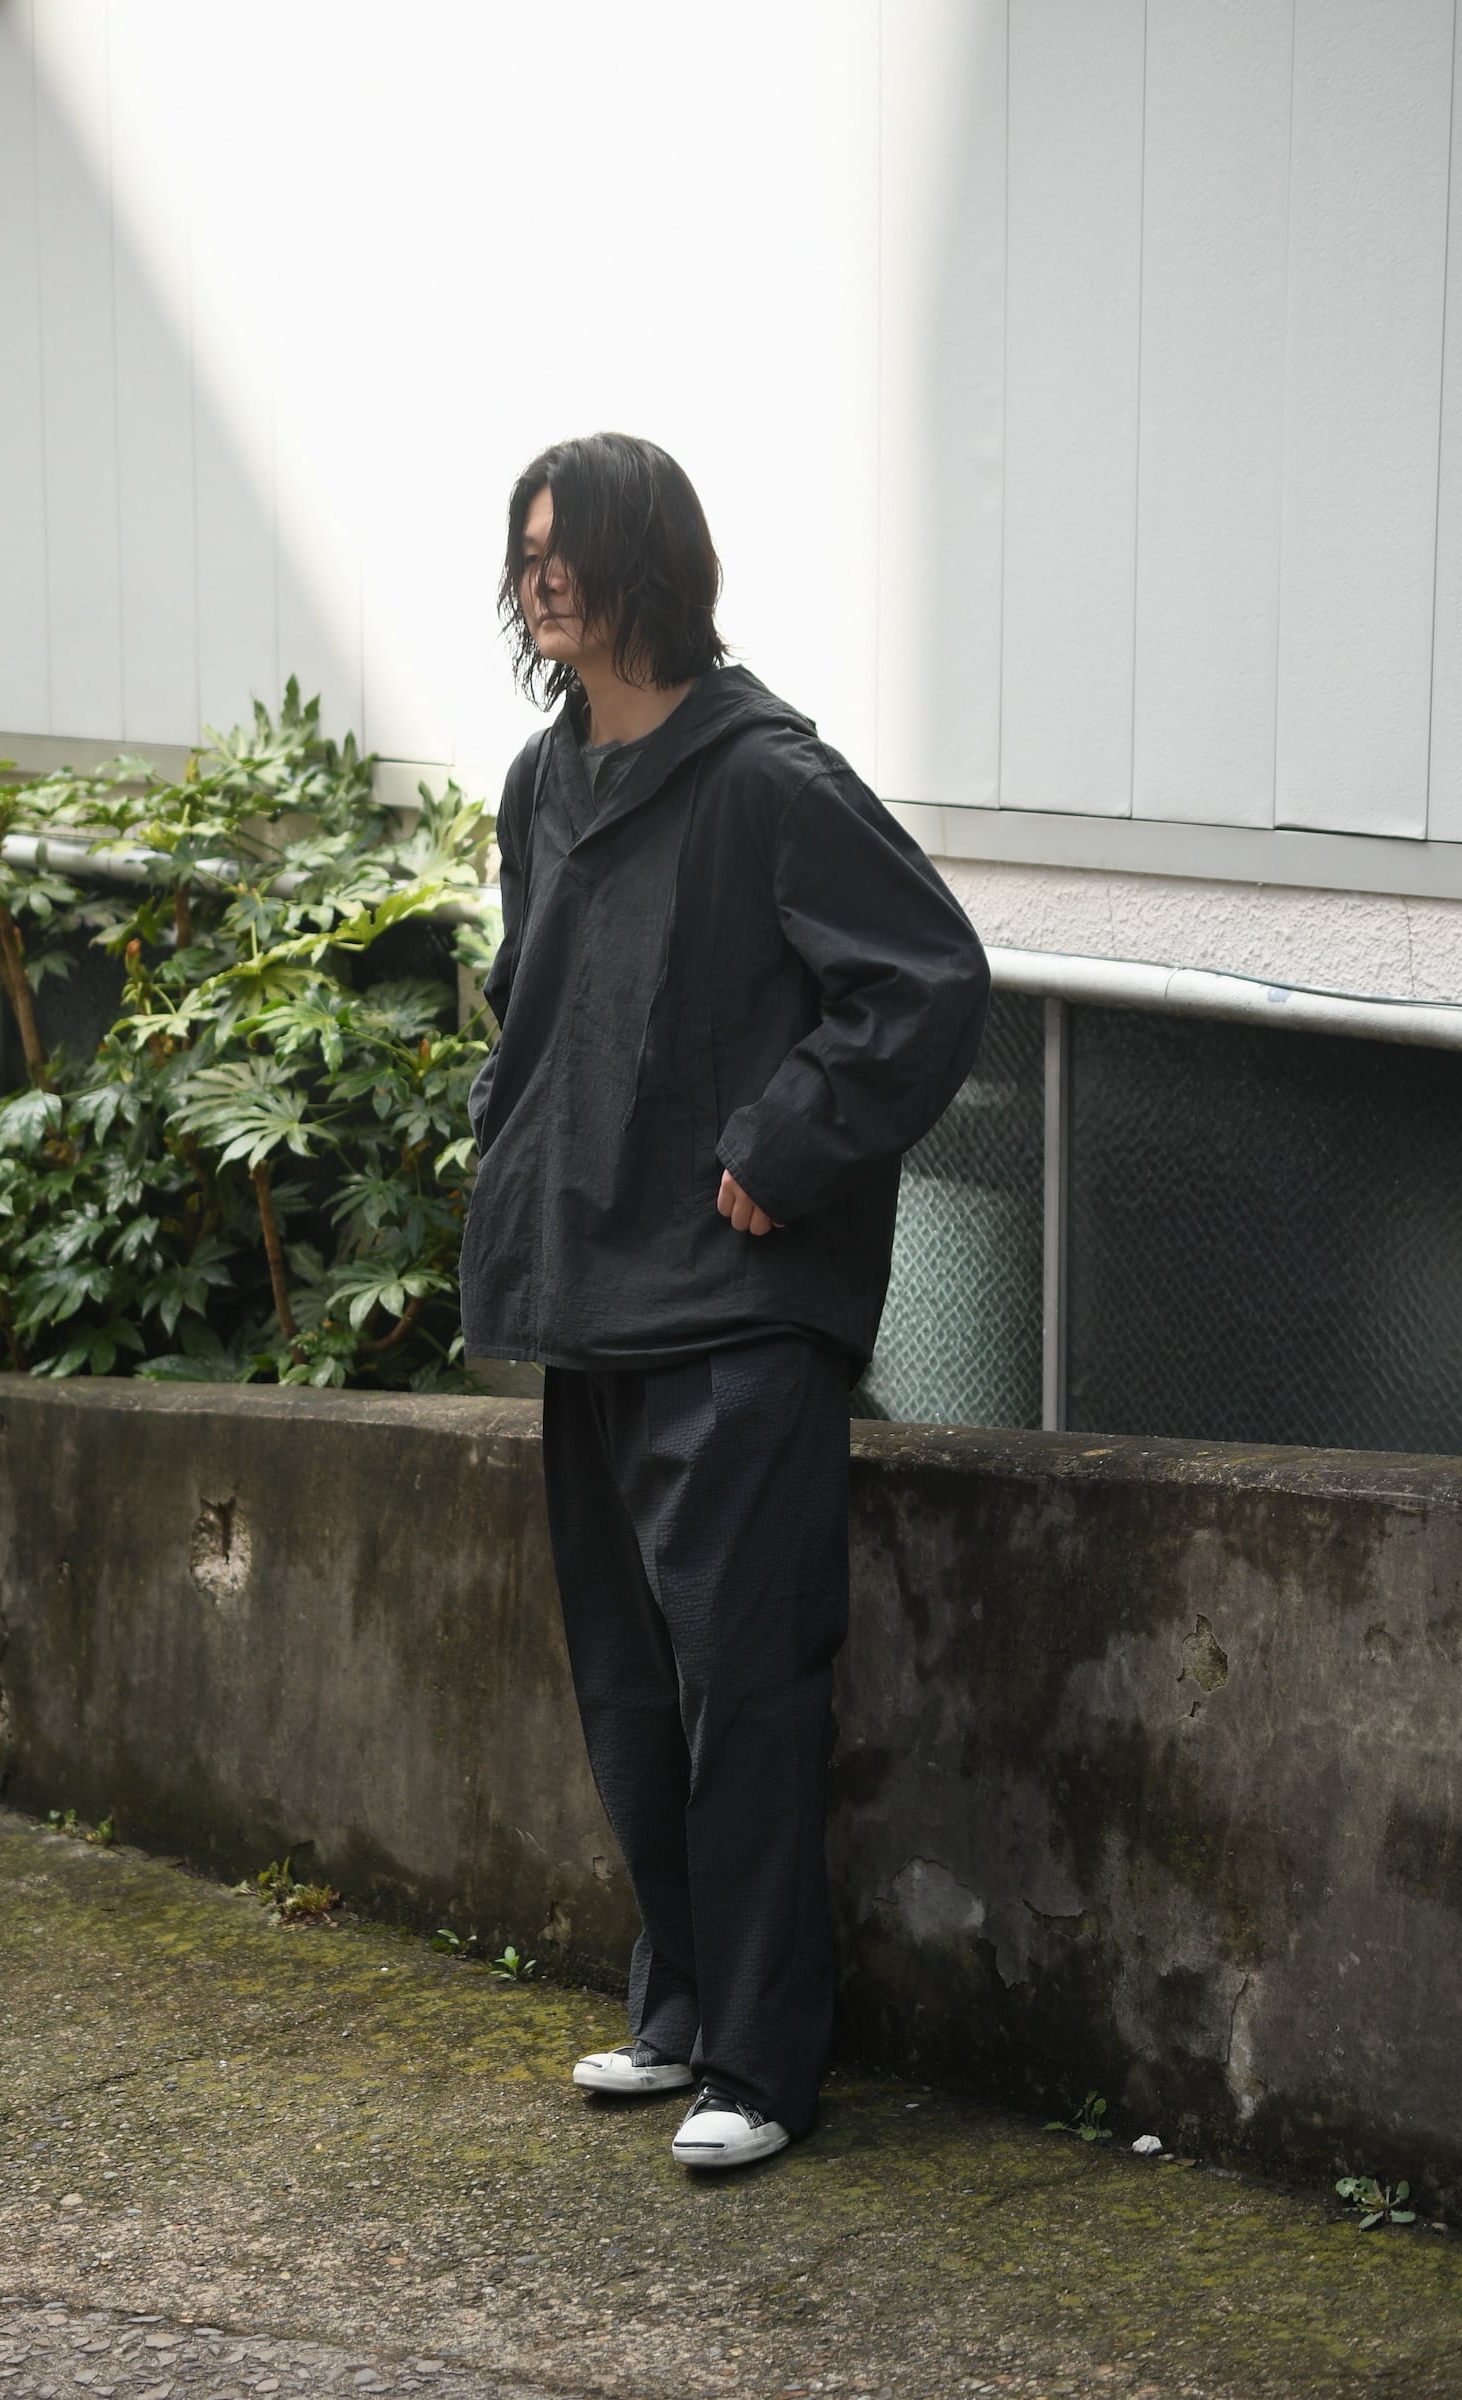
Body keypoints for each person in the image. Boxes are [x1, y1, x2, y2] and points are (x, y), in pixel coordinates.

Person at [460, 432, 989, 2170]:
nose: (542, 576)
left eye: (571, 548)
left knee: (748, 1684)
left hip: (737, 1317)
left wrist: (784, 1141)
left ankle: (761, 2063)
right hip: (591, 1294)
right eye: (526, 548)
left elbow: (925, 980)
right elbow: (538, 1009)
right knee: (628, 1690)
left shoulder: (768, 777)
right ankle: (680, 2006)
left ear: (652, 570)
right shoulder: (542, 783)